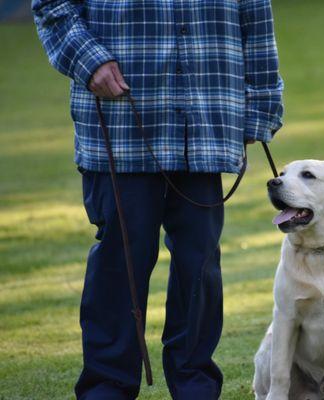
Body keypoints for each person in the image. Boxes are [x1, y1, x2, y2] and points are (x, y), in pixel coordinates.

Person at [31, 0, 283, 398]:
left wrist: (263, 105)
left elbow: (255, 15)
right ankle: (106, 390)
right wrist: (89, 59)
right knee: (120, 261)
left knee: (200, 263)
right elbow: (52, 4)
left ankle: (196, 388)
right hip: (119, 124)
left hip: (206, 119)